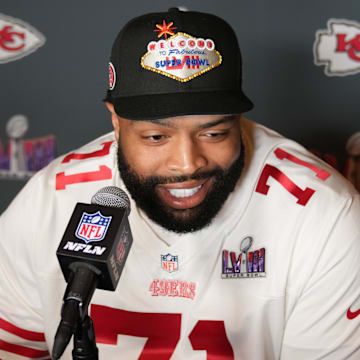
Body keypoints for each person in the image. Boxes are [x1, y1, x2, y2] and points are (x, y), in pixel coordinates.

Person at [1, 7, 360, 360]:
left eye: (215, 133)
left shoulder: (324, 214)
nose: (187, 163)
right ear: (115, 120)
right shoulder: (50, 200)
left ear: (239, 121)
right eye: (156, 137)